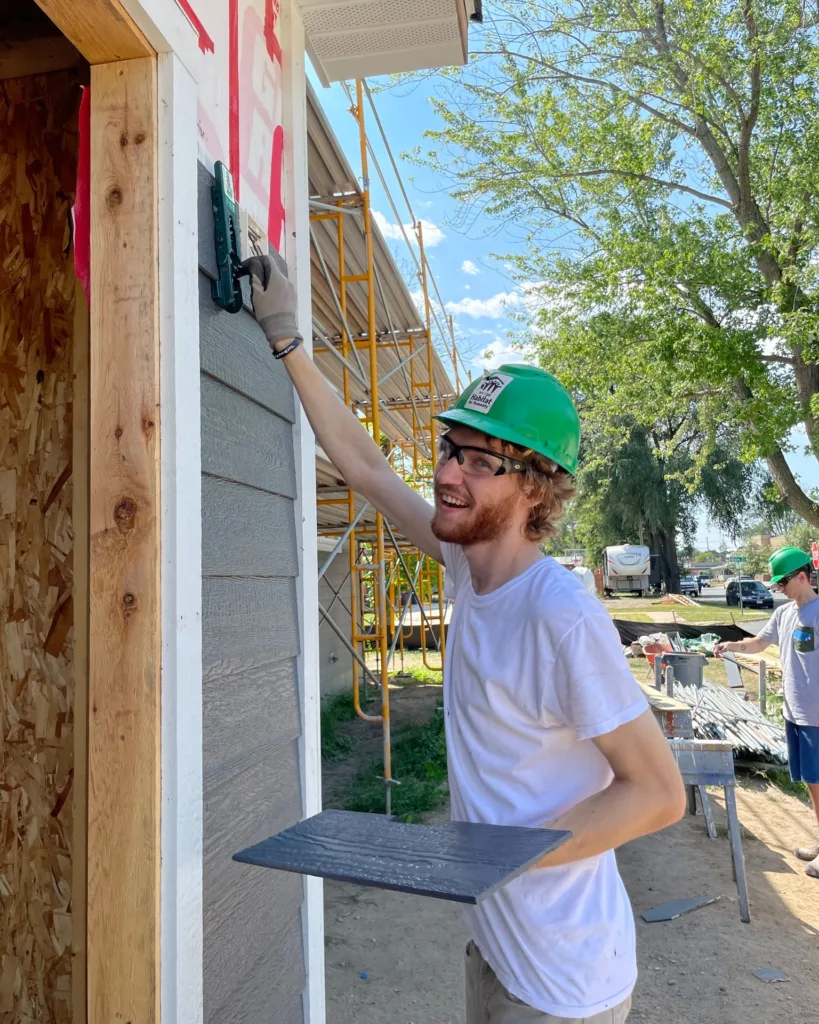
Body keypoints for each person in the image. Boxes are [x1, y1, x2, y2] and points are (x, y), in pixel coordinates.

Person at [243, 255, 686, 1023]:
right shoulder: (463, 564)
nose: (451, 473)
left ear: (533, 488)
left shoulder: (559, 613)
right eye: (452, 448)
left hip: (563, 981)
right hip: (494, 943)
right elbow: (369, 468)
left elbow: (657, 794)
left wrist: (493, 859)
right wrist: (286, 337)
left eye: (482, 462)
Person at [715, 546, 819, 879]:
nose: (779, 589)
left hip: (816, 716)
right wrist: (731, 646)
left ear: (802, 577)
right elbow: (759, 643)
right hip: (795, 712)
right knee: (811, 782)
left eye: (783, 583)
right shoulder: (786, 614)